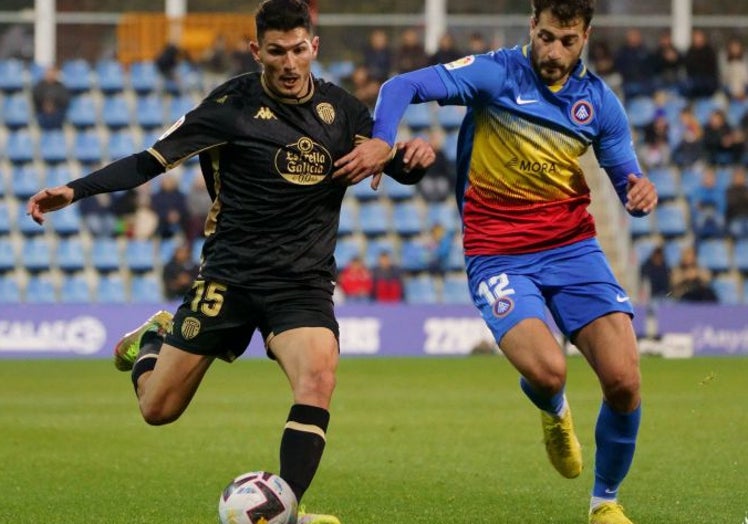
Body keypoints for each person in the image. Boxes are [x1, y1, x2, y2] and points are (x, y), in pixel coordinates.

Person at [26, 1, 434, 523]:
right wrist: (74, 190)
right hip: (230, 276)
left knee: (318, 379)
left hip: (301, 281)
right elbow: (150, 160)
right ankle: (154, 339)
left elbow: (396, 167)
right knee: (157, 409)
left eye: (298, 50)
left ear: (315, 47)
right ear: (256, 50)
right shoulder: (228, 106)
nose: (289, 63)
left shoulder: (343, 111)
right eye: (276, 51)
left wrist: (408, 157)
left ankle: (288, 510)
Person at [332, 1, 659, 523]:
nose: (554, 52)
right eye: (546, 37)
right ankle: (554, 409)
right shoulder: (496, 73)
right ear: (532, 25)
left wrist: (639, 191)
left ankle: (605, 503)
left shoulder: (599, 103)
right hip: (498, 253)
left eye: (568, 41)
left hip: (573, 249)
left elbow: (627, 181)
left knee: (624, 381)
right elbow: (401, 87)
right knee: (550, 373)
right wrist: (382, 140)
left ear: (586, 36)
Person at [32, 66, 71, 130]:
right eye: (49, 73)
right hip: (43, 112)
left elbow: (65, 99)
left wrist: (54, 104)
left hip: (57, 113)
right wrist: (45, 104)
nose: (51, 75)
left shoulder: (61, 86)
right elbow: (36, 97)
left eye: (52, 73)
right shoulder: (39, 86)